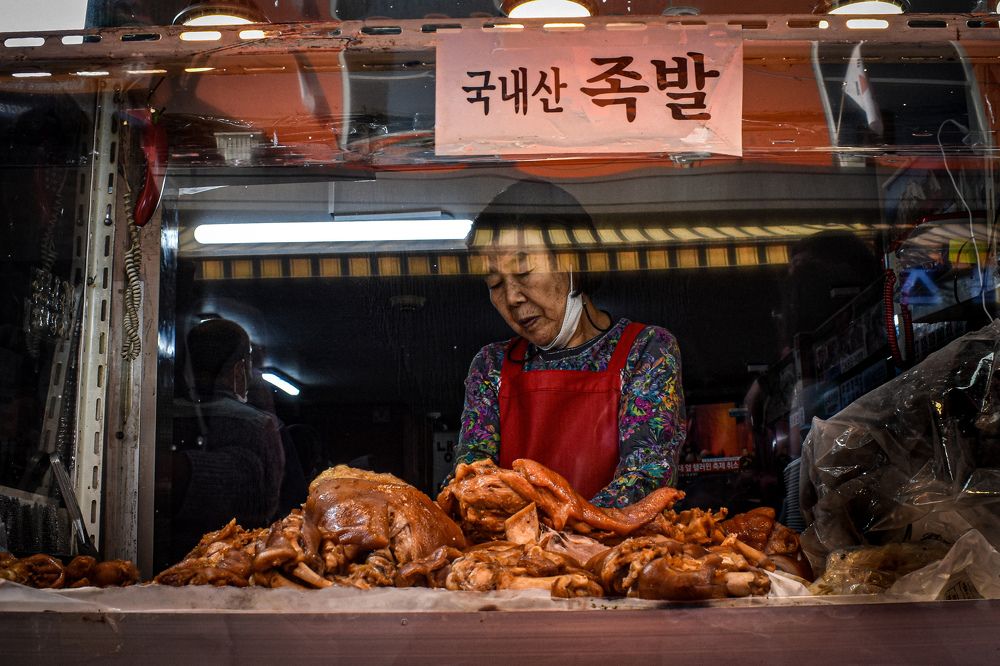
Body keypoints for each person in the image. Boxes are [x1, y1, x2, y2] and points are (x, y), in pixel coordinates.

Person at [453, 180, 686, 508]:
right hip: (516, 556)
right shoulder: (491, 367)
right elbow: (472, 483)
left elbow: (647, 477)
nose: (512, 297)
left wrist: (562, 529)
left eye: (523, 271)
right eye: (494, 283)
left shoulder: (646, 350)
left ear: (573, 259)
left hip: (618, 552)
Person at [168, 318, 285, 561]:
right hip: (240, 558)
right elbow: (270, 505)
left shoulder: (160, 418)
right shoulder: (259, 425)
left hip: (168, 553)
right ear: (240, 369)